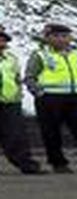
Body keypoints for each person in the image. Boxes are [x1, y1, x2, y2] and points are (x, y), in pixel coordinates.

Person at [24, 23, 77, 173]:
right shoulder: (40, 55)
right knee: (51, 133)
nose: (61, 39)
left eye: (65, 36)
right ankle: (59, 164)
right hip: (50, 98)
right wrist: (39, 92)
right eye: (56, 36)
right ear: (47, 38)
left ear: (70, 38)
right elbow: (30, 77)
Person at [0, 27, 44, 174]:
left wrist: (18, 94)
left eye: (3, 39)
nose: (2, 41)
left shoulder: (11, 58)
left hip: (10, 102)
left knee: (16, 135)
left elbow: (16, 78)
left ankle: (27, 165)